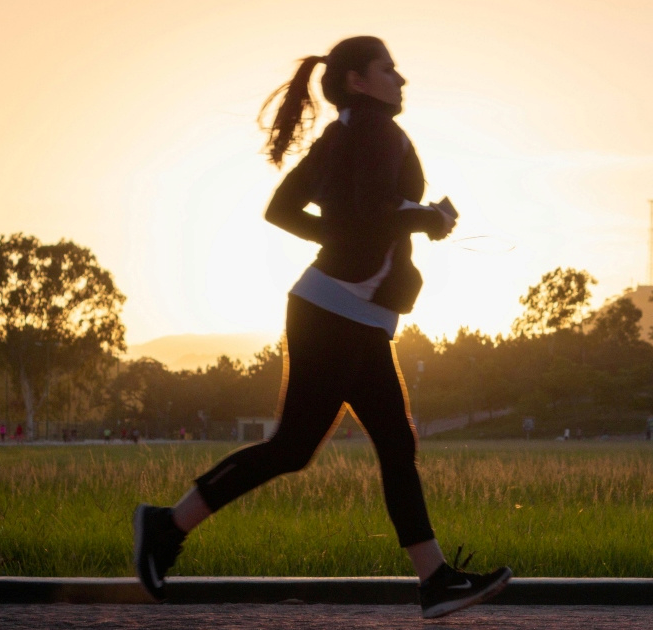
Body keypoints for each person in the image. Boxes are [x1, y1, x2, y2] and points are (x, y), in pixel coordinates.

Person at [132, 37, 510, 619]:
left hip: (344, 311)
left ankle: (435, 580)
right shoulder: (375, 132)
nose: (401, 79)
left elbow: (285, 210)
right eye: (388, 69)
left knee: (374, 444)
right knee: (308, 447)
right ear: (358, 80)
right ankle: (165, 525)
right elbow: (370, 212)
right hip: (336, 314)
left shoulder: (343, 135)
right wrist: (428, 217)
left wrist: (350, 238)